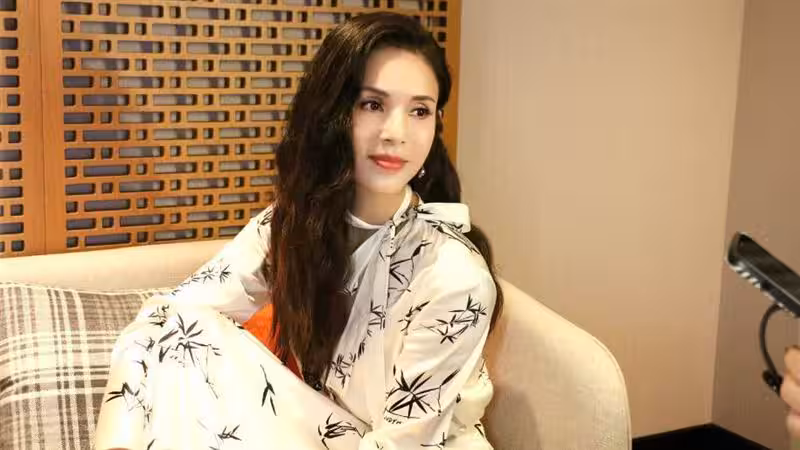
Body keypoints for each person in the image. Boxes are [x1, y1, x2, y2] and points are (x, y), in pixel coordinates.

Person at [95, 12, 504, 450]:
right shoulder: (294, 223)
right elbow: (174, 315)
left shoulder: (455, 277)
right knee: (169, 329)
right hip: (332, 426)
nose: (396, 133)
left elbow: (405, 443)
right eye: (372, 104)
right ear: (331, 113)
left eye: (419, 111)